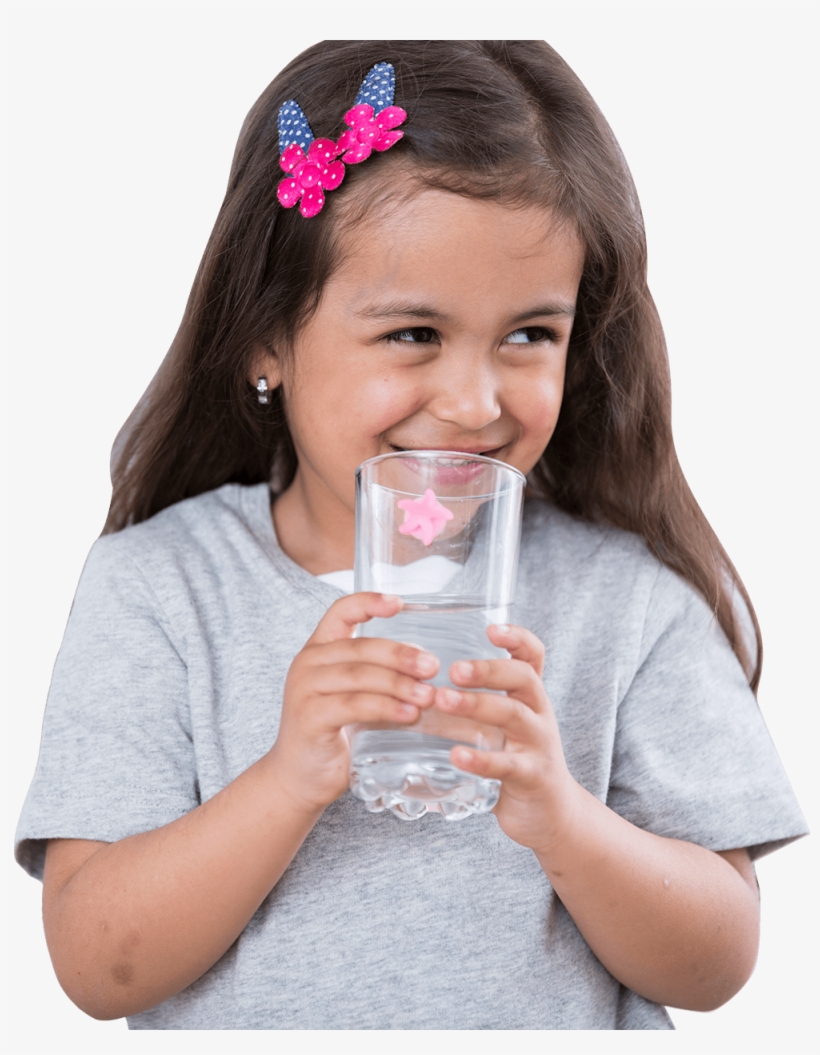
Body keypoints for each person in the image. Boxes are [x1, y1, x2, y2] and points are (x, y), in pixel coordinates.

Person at [14, 39, 807, 1030]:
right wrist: (287, 777)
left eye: (529, 334)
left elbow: (716, 960)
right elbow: (96, 965)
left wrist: (563, 819)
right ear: (268, 336)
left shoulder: (627, 600)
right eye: (414, 334)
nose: (475, 402)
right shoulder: (162, 587)